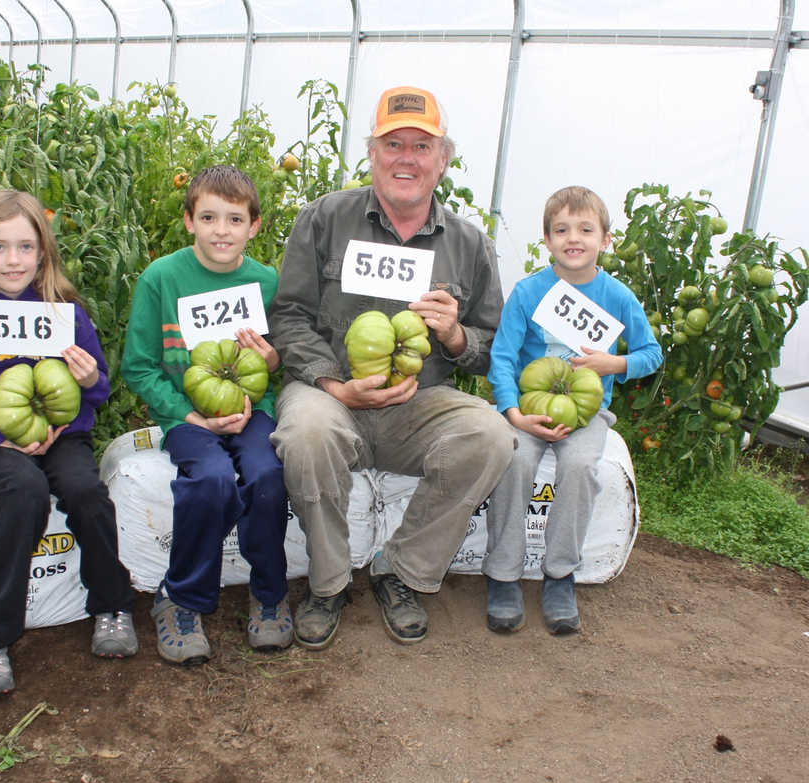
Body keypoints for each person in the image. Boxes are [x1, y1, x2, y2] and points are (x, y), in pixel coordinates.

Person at [267, 85, 516, 650]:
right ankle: (328, 584)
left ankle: (400, 572)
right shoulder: (325, 219)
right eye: (393, 144)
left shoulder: (469, 244)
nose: (407, 158)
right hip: (332, 395)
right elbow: (288, 316)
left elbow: (491, 342)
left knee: (489, 435)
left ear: (443, 159)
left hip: (419, 405)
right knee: (306, 430)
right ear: (372, 154)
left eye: (421, 147)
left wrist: (454, 334)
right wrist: (335, 383)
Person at [0, 189, 138, 699]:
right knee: (23, 492)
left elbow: (99, 387)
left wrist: (86, 383)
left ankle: (112, 604)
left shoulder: (62, 311)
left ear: (43, 252)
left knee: (85, 490)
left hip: (62, 432)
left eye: (24, 247)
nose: (13, 260)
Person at [121, 165, 292, 665]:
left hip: (250, 408)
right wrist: (186, 415)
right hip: (187, 416)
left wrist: (270, 360)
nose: (222, 230)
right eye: (210, 217)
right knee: (212, 479)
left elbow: (279, 358)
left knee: (267, 474)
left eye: (235, 219)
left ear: (255, 226)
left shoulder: (265, 281)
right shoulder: (162, 278)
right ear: (189, 220)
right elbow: (139, 366)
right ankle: (182, 598)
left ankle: (269, 592)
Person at [484, 186, 663, 635]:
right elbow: (503, 358)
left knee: (582, 467)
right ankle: (502, 575)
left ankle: (560, 574)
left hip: (588, 414)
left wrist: (614, 364)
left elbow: (651, 353)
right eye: (561, 229)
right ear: (547, 240)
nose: (573, 238)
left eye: (586, 229)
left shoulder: (618, 296)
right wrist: (512, 413)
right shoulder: (528, 292)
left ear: (605, 239)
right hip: (528, 410)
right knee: (514, 460)